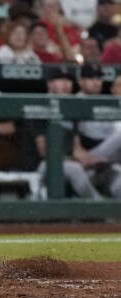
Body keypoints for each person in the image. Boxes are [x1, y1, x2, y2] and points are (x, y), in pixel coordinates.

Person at [24, 65, 104, 200]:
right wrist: (76, 160)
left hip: (66, 162)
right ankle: (101, 208)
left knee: (108, 170)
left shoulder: (70, 109)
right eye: (61, 80)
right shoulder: (39, 107)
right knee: (75, 169)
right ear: (49, 84)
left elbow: (76, 148)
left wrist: (90, 159)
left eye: (68, 80)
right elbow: (44, 152)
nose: (66, 84)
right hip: (41, 165)